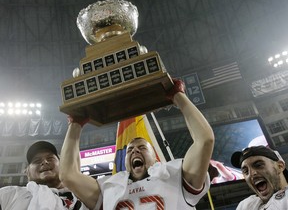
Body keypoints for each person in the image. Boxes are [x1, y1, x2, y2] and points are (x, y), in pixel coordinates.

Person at [59, 79, 215, 209]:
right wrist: (76, 123)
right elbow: (68, 175)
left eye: (142, 148)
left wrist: (178, 95)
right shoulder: (109, 187)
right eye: (129, 150)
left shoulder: (175, 174)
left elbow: (205, 140)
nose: (134, 151)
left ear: (155, 158)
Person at [0, 141, 89, 210]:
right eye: (37, 161)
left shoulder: (86, 197)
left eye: (50, 158)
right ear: (27, 172)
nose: (44, 162)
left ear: (62, 165)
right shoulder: (9, 195)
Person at [231, 145, 288, 209]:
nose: (251, 174)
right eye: (246, 171)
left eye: (258, 165)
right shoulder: (245, 206)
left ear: (280, 166)